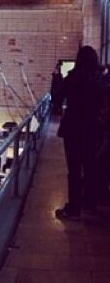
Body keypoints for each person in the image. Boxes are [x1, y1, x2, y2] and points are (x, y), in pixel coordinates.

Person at [55, 45, 108, 220]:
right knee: (90, 166)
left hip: (73, 129)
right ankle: (90, 203)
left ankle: (74, 209)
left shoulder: (73, 78)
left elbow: (57, 99)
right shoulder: (100, 80)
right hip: (92, 129)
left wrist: (56, 79)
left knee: (74, 169)